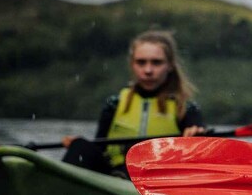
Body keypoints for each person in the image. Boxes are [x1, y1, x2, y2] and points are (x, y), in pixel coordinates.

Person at [62, 30, 205, 178]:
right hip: (113, 175)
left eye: (156, 62)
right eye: (141, 62)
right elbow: (100, 147)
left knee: (135, 163)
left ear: (170, 66)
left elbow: (197, 145)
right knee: (79, 146)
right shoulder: (114, 103)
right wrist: (78, 144)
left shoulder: (186, 108)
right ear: (132, 65)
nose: (148, 70)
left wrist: (197, 135)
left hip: (157, 180)